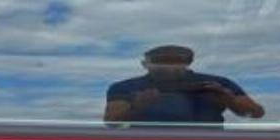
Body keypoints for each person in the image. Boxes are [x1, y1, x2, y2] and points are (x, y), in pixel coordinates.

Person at [103, 45, 265, 124]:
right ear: (145, 64)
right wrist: (138, 107)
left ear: (188, 63)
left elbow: (256, 113)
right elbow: (112, 123)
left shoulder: (218, 83)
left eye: (177, 62)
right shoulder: (124, 88)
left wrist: (228, 99)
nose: (170, 67)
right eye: (162, 63)